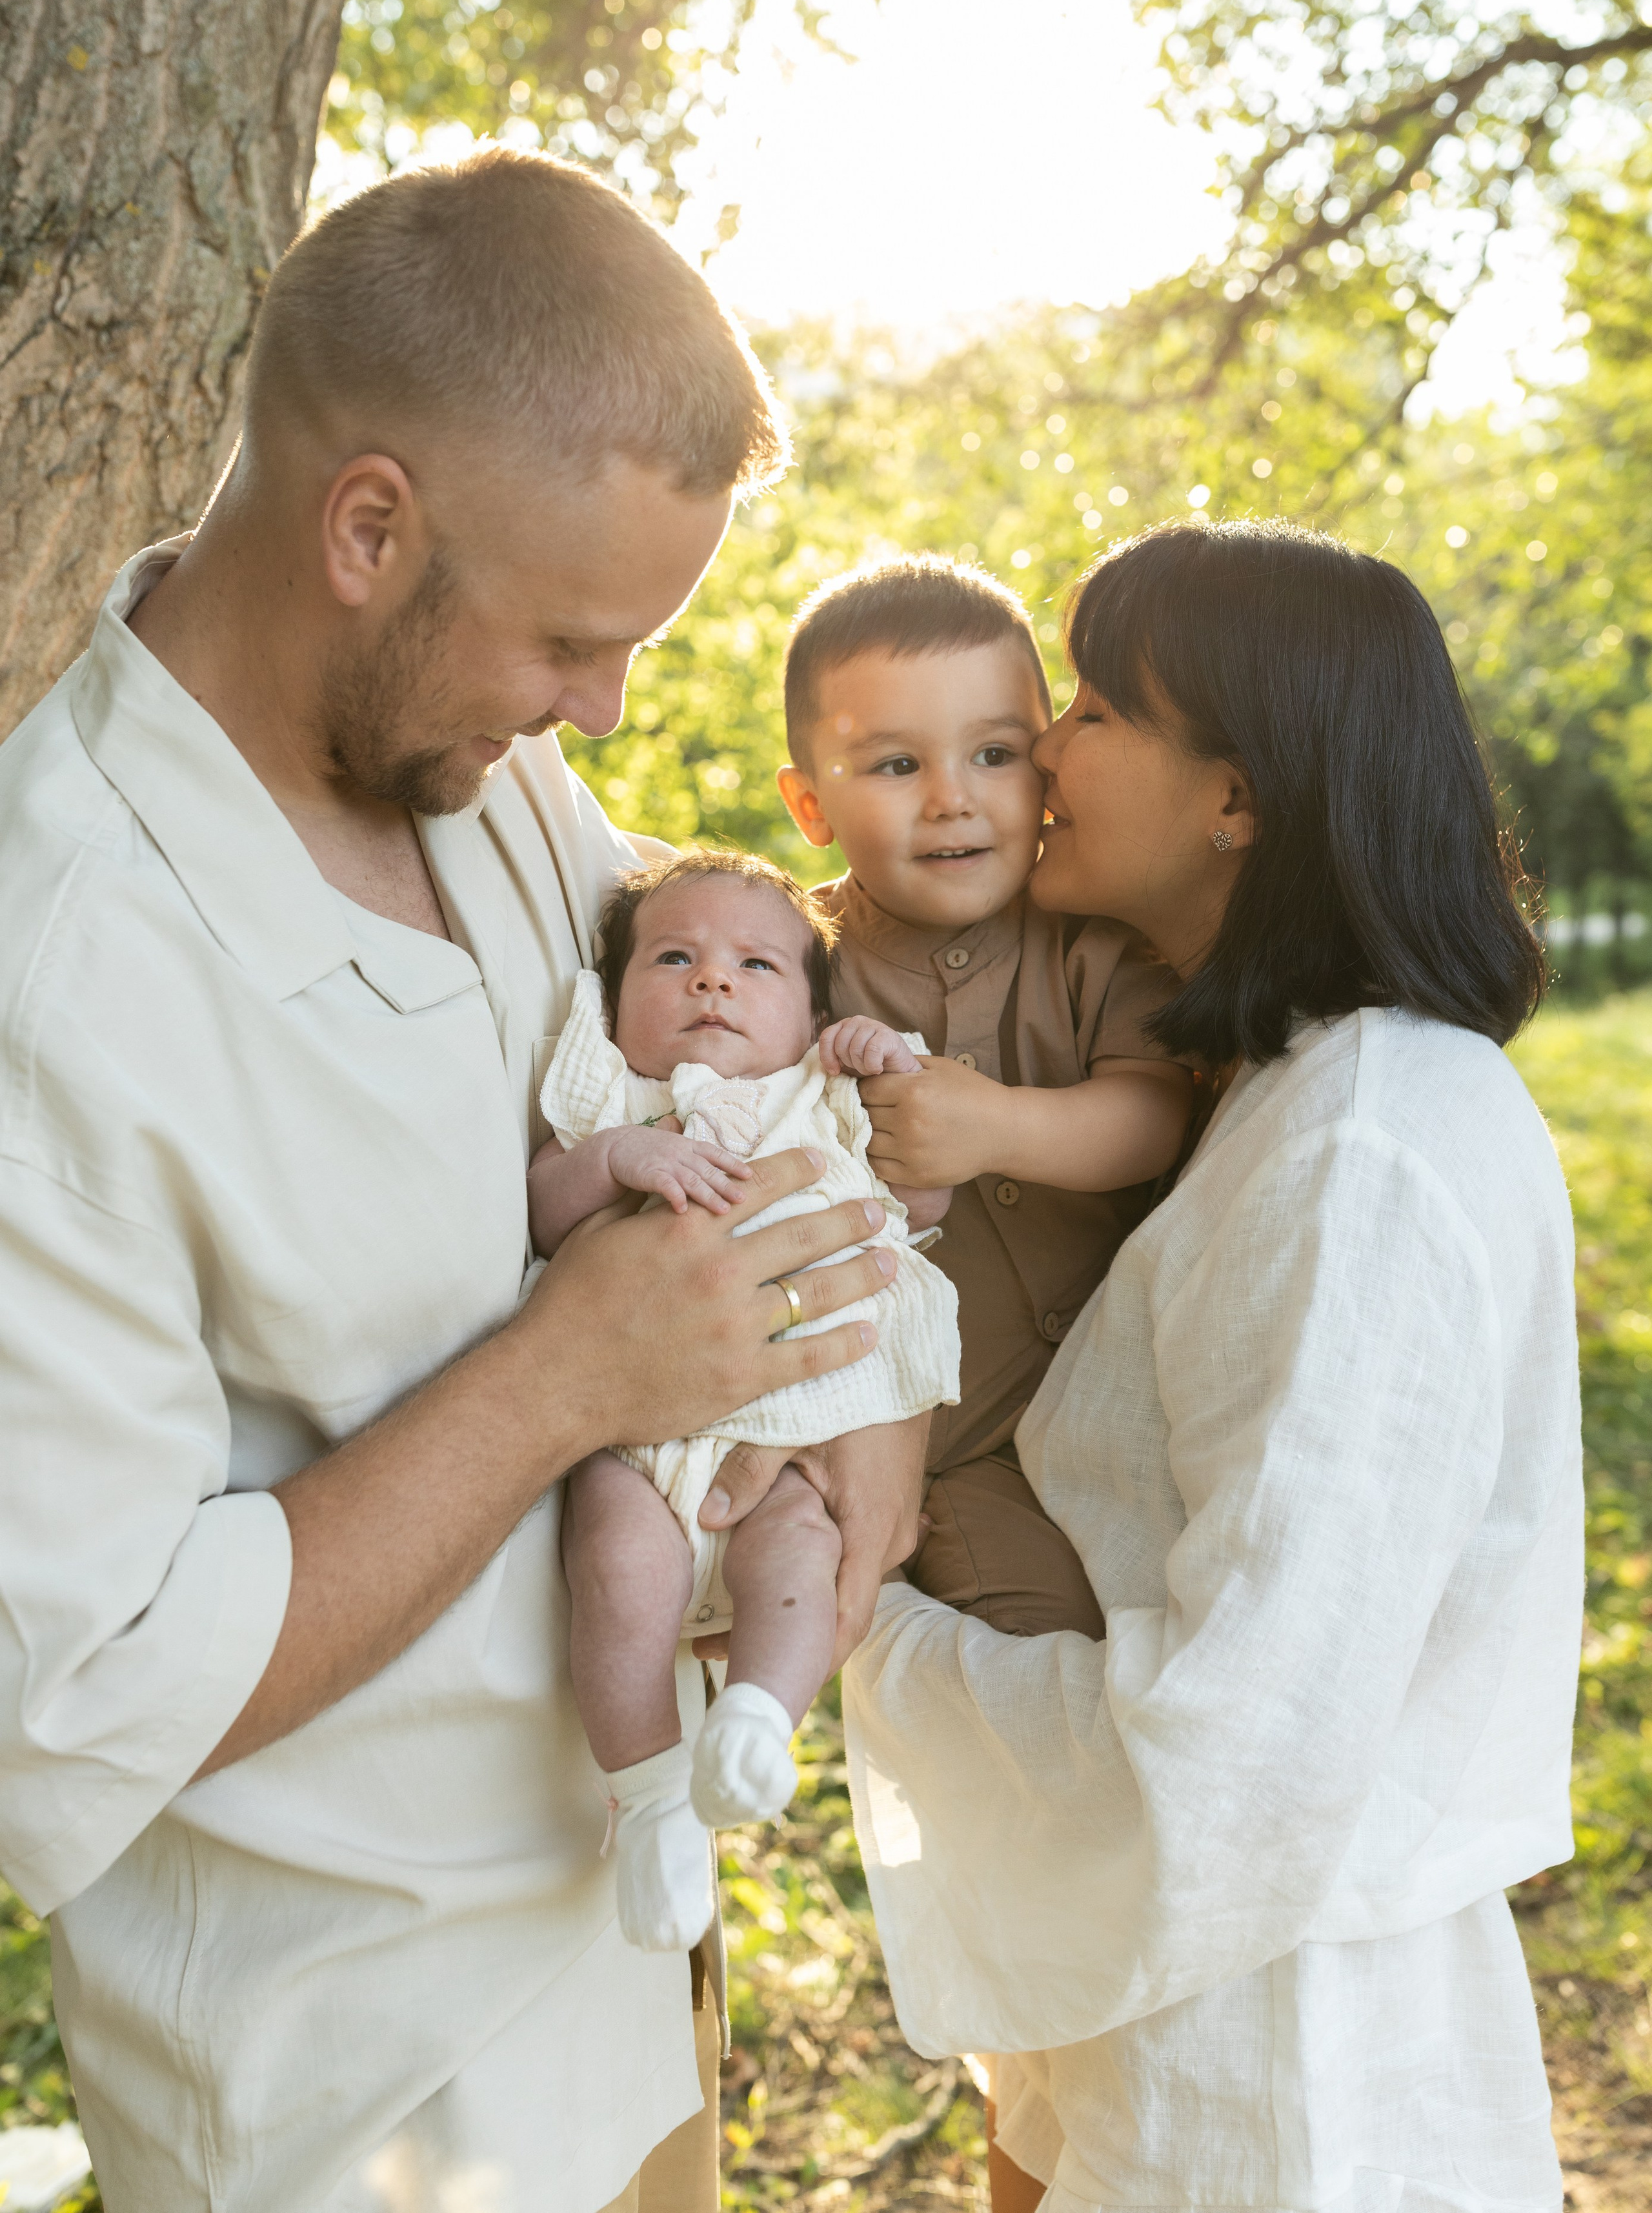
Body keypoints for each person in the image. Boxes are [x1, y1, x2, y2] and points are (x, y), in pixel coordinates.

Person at [0, 148, 927, 2213]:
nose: (603, 710)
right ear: (369, 528)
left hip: (628, 1959)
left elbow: (711, 1038)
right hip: (369, 2101)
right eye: (574, 638)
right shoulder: (51, 977)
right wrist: (566, 1378)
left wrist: (865, 1396)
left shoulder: (477, 770)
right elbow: (78, 1697)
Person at [843, 518, 1581, 2213]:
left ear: (1235, 796)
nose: (1042, 749)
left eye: (1096, 709)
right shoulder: (1281, 1090)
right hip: (1180, 1999)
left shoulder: (1366, 1149)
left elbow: (1245, 1740)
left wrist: (870, 1631)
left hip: (1273, 2072)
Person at [532, 849, 959, 1954]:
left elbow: (919, 1204)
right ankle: (650, 1802)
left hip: (792, 1438)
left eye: (756, 965)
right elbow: (542, 1211)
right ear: (615, 1000)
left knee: (801, 1554)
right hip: (637, 1443)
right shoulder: (614, 1100)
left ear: (813, 1015)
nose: (713, 980)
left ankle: (762, 1722)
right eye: (674, 959)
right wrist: (617, 1162)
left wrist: (887, 1069)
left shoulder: (825, 1094)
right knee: (616, 1567)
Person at [778, 558, 1198, 1637]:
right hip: (949, 1440)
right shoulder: (797, 959)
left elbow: (1155, 1115)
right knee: (1046, 1630)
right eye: (897, 764)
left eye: (996, 754)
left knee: (1202, 1597)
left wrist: (1000, 1126)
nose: (953, 797)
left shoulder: (1094, 939)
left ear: (1047, 768)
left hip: (1133, 1393)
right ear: (812, 804)